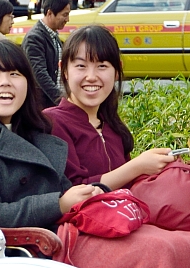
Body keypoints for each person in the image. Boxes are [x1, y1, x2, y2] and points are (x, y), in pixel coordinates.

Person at [0, 39, 96, 230]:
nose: (5, 82)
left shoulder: (37, 134)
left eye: (14, 74)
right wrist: (58, 205)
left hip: (69, 233)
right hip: (27, 251)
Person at [44, 25, 175, 188]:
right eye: (81, 66)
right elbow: (72, 192)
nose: (91, 77)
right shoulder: (52, 123)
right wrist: (137, 166)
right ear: (64, 70)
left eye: (102, 66)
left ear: (117, 71)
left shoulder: (111, 124)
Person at [23, 0, 71, 109]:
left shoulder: (53, 35)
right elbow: (39, 73)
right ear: (49, 13)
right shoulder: (34, 38)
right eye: (64, 15)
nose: (67, 19)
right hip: (42, 105)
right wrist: (60, 99)